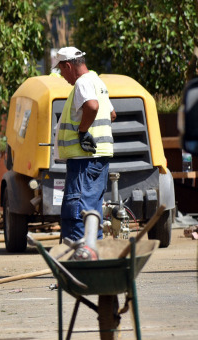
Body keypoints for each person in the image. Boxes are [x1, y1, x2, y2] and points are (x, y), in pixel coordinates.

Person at [54, 47, 116, 242]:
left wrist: (82, 131)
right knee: (92, 212)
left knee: (77, 211)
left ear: (68, 65)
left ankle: (79, 260)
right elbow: (112, 115)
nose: (63, 76)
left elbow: (92, 106)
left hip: (84, 161)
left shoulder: (82, 83)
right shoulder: (98, 82)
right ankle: (93, 256)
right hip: (98, 160)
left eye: (62, 71)